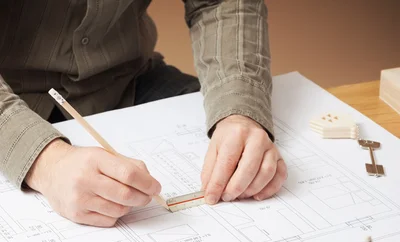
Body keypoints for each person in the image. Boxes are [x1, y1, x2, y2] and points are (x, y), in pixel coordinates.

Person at [0, 1, 287, 227]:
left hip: (128, 77)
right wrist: (46, 164)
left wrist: (239, 111)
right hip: (13, 100)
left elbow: (219, 2)